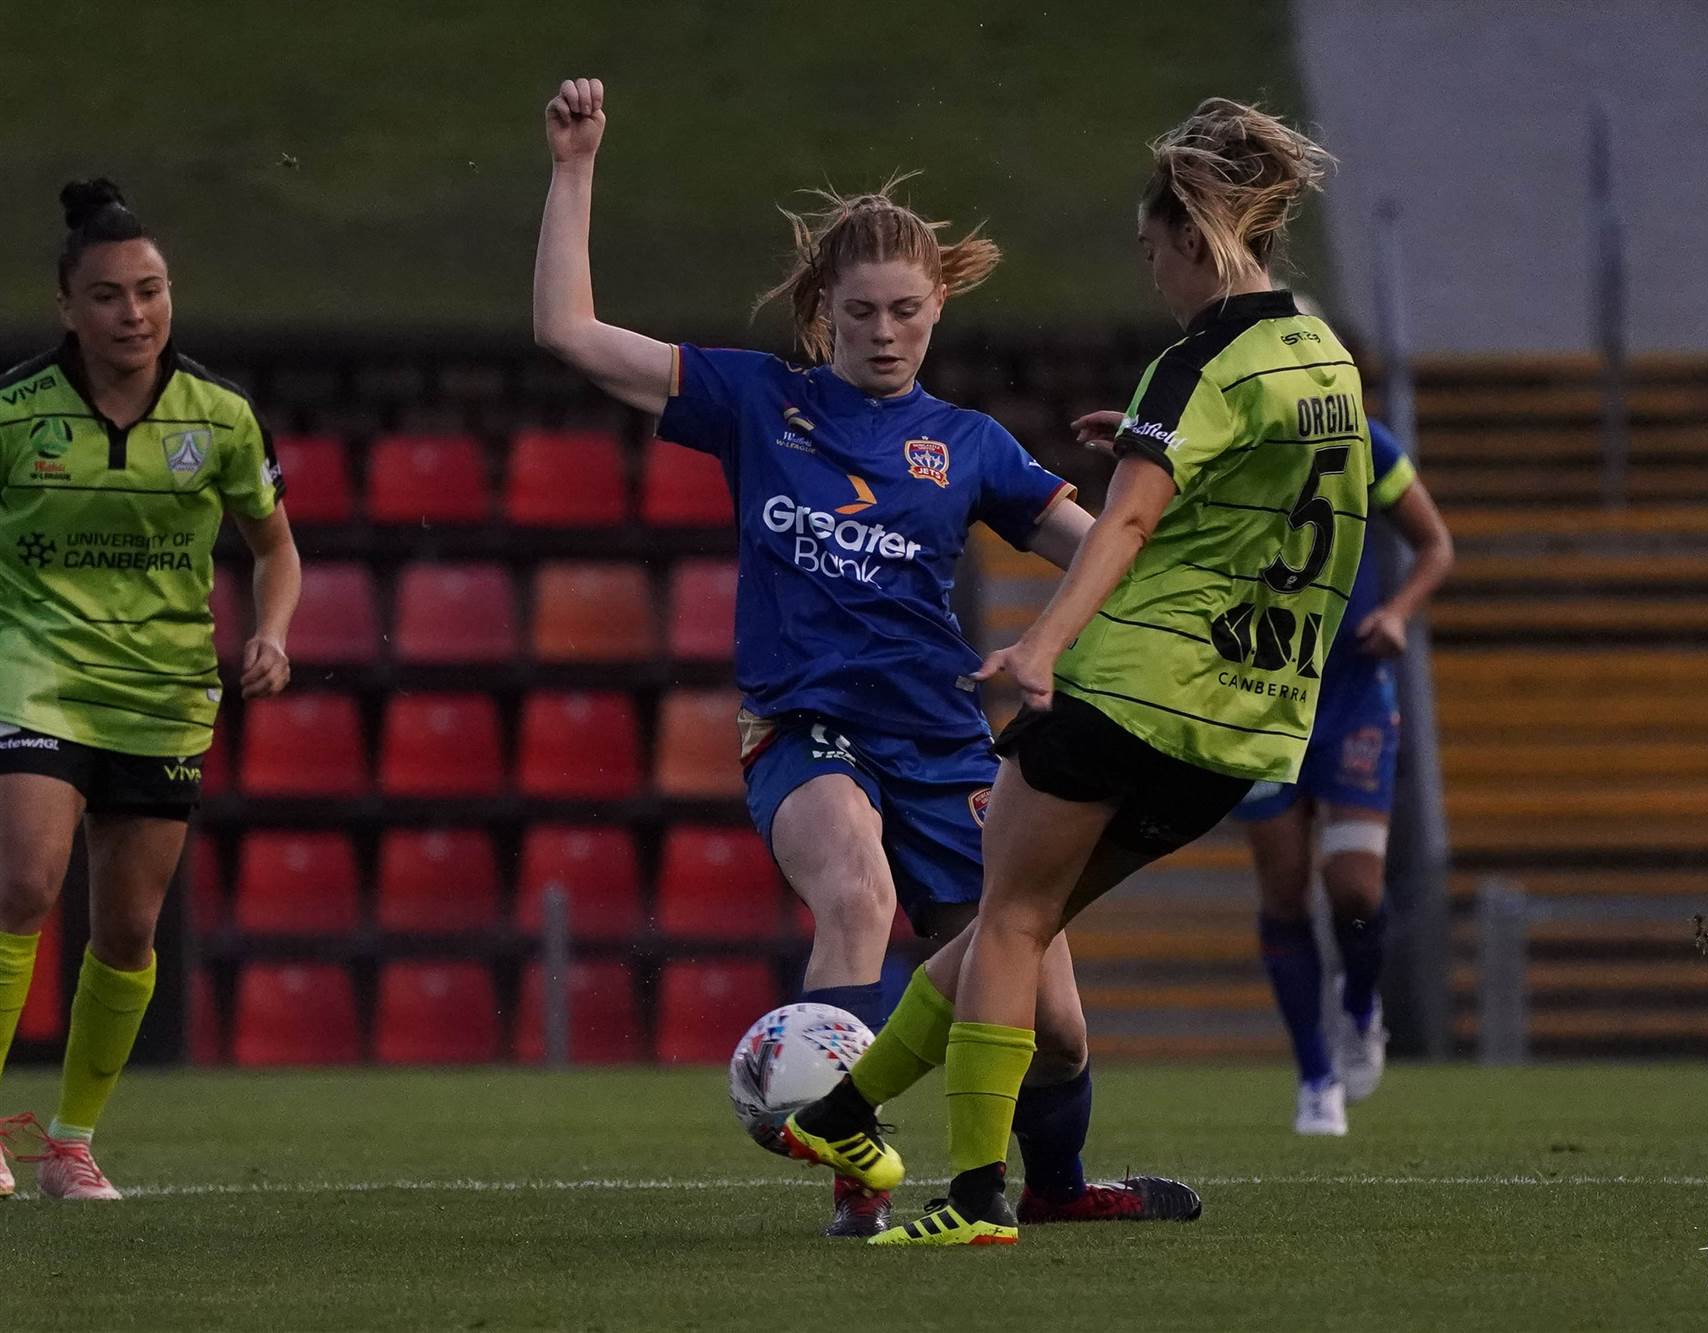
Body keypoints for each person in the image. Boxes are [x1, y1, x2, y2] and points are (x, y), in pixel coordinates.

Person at [532, 78, 1198, 1237]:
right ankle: (857, 1178)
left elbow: (1104, 555)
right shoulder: (757, 402)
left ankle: (1051, 1187)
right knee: (856, 888)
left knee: (1054, 1024)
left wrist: (1154, 515)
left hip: (942, 742)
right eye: (859, 314)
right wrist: (575, 167)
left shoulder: (967, 444)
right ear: (819, 312)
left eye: (903, 310)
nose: (883, 334)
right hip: (804, 727)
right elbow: (569, 335)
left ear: (937, 304)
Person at [786, 97, 1363, 1246]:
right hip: (1243, 722)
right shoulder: (1318, 353)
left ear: (1190, 236)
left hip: (1131, 692)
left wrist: (1039, 645)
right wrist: (1158, 451)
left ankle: (973, 1197)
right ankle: (844, 1112)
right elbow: (1266, 506)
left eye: (1151, 251)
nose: (1150, 274)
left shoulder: (1195, 364)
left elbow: (1130, 524)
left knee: (1006, 920)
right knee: (1017, 924)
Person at [0, 180, 299, 1201]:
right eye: (110, 296)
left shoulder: (217, 417)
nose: (135, 314)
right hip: (36, 669)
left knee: (126, 928)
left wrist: (269, 628)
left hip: (164, 687)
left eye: (152, 291)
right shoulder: (15, 414)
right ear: (67, 308)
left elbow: (275, 547)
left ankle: (70, 1143)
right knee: (25, 882)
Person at [1237, 415, 1451, 1136]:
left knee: (1356, 888)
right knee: (1285, 890)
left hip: (1354, 692)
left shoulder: (1364, 440)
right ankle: (1315, 1075)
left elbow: (1435, 544)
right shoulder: (1226, 435)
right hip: (1260, 701)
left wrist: (1397, 612)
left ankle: (1360, 1002)